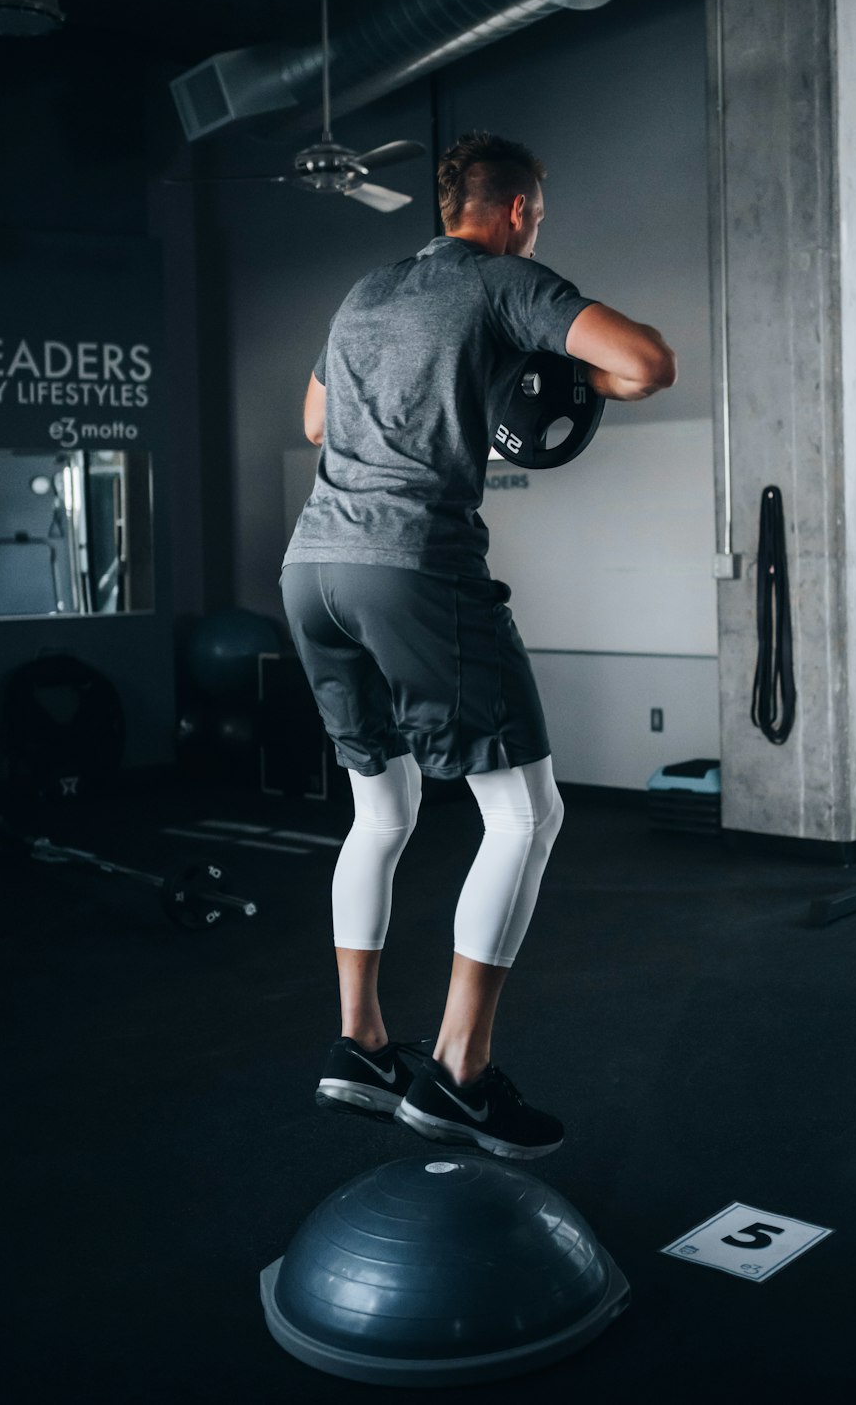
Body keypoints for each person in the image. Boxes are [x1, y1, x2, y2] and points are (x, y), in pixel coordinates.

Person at [280, 131, 676, 1160]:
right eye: (535, 216)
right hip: (412, 565)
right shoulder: (506, 282)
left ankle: (359, 1042)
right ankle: (458, 1073)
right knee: (526, 811)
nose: (536, 229)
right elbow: (644, 363)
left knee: (384, 807)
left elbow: (316, 420)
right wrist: (578, 384)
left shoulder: (365, 290)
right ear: (511, 212)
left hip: (309, 570)